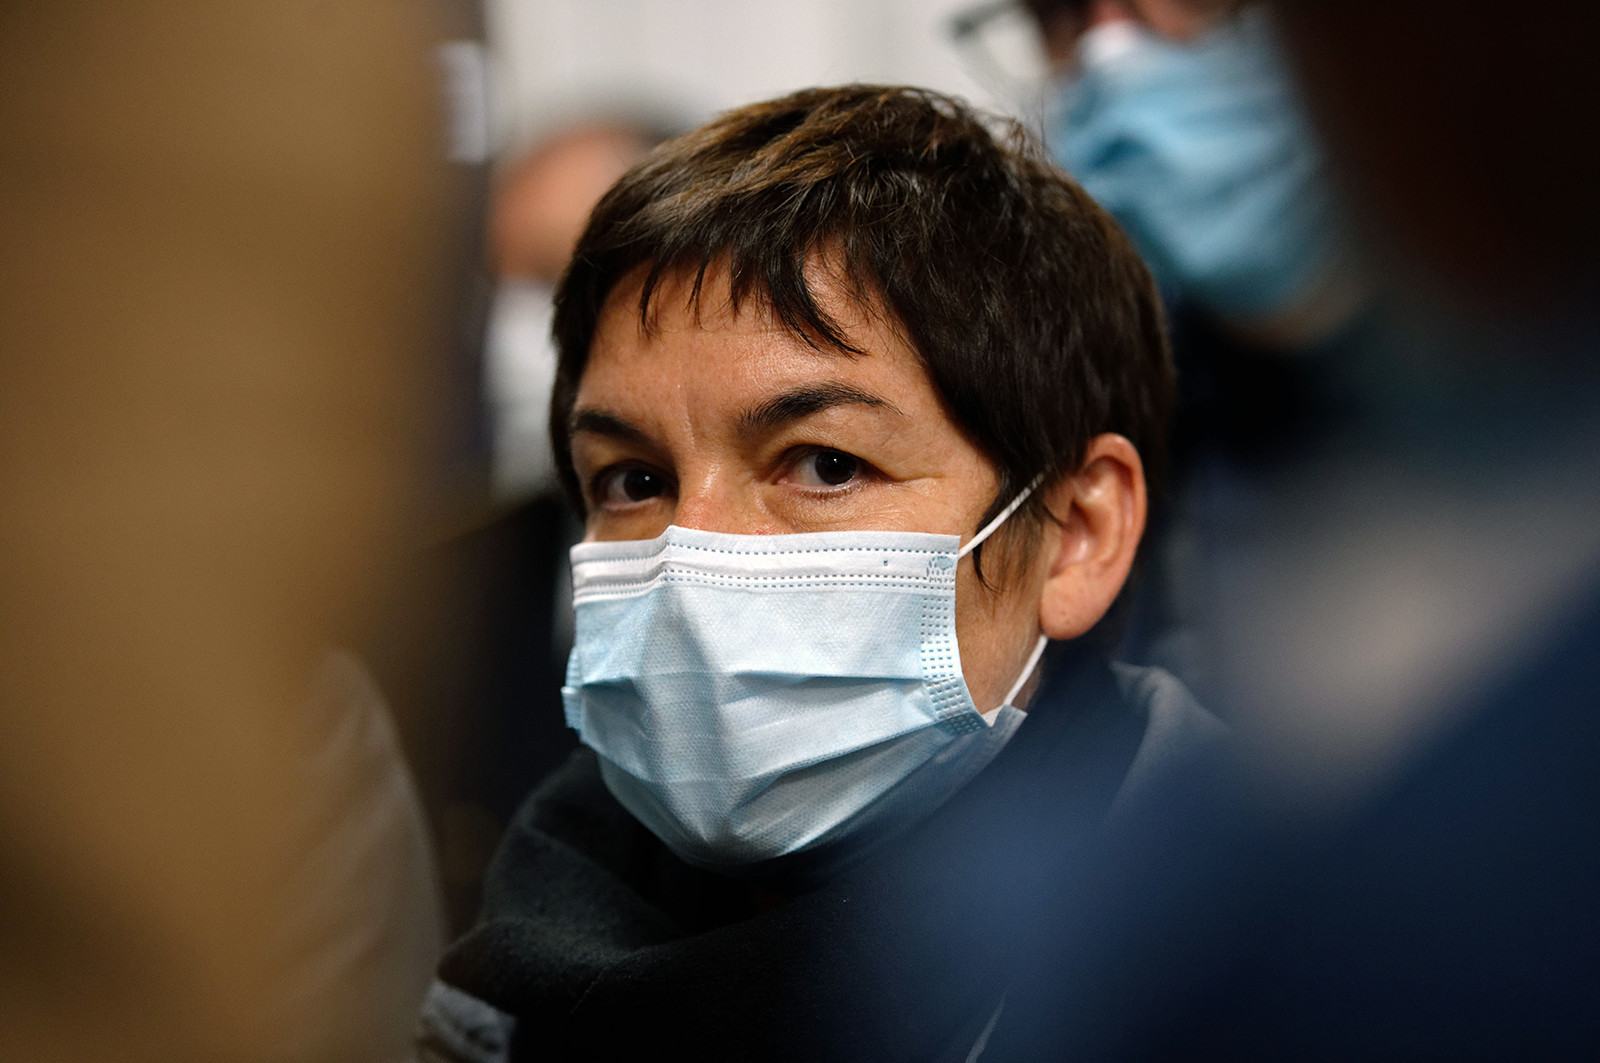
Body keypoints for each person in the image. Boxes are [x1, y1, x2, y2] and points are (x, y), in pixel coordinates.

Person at [416, 84, 1225, 1062]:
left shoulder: (1304, 958)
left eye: (824, 463)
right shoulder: (511, 983)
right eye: (634, 479)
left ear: (1077, 532)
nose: (691, 555)